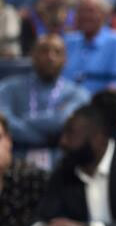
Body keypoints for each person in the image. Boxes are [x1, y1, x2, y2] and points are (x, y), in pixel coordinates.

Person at [0, 35, 90, 171]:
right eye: (44, 51)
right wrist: (49, 137)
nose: (50, 57)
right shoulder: (8, 88)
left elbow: (62, 120)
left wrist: (23, 119)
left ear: (65, 59)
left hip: (63, 167)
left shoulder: (79, 93)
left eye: (57, 52)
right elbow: (6, 124)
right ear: (33, 56)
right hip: (15, 164)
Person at [62, 0, 116, 94]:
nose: (85, 16)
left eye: (91, 11)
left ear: (105, 15)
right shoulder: (68, 41)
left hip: (101, 102)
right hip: (64, 102)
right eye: (81, 11)